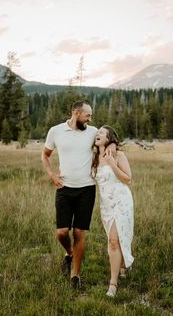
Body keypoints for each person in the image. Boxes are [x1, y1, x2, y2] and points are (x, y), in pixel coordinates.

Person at [42, 101, 115, 290]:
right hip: (64, 188)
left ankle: (75, 275)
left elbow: (111, 139)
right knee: (61, 232)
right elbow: (45, 155)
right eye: (87, 115)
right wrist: (52, 175)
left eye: (90, 116)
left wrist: (111, 147)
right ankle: (69, 252)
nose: (90, 119)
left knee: (79, 232)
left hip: (86, 189)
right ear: (76, 112)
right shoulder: (56, 131)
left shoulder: (92, 132)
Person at [92, 125, 134, 297]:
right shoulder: (94, 157)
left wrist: (112, 164)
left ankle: (113, 284)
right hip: (106, 205)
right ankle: (122, 265)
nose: (98, 134)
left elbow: (128, 179)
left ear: (110, 138)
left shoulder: (118, 155)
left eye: (102, 132)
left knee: (114, 241)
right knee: (113, 239)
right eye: (97, 132)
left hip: (121, 201)